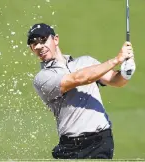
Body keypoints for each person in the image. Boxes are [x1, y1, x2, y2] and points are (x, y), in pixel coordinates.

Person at [27, 23, 136, 159]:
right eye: (33, 44)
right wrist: (116, 60)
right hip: (71, 145)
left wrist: (127, 72)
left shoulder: (86, 61)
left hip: (101, 140)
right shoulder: (42, 78)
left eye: (42, 40)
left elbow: (115, 81)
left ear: (55, 39)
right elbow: (79, 78)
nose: (38, 46)